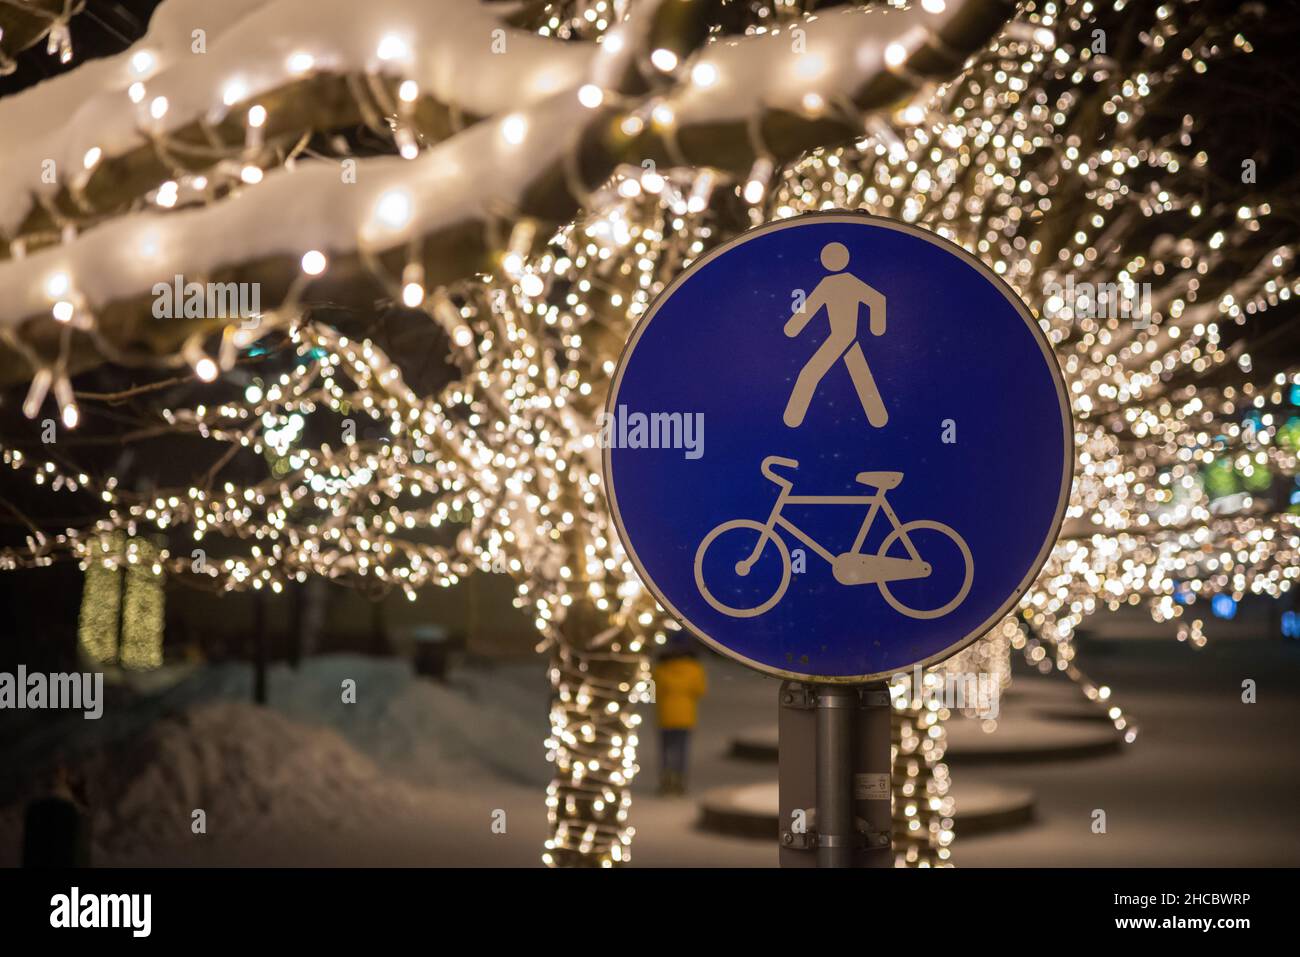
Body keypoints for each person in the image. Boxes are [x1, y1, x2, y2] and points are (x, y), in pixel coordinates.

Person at [782, 241, 889, 428]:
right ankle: (878, 418)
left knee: (809, 373)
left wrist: (877, 328)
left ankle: (792, 419)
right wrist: (793, 327)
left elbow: (878, 300)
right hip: (846, 337)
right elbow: (811, 307)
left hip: (842, 336)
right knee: (861, 375)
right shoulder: (833, 283)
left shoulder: (845, 282)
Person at [652, 643, 707, 795]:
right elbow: (700, 690)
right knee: (682, 750)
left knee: (665, 750)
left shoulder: (660, 669)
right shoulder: (695, 669)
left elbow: (651, 694)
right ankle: (680, 781)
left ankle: (666, 780)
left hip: (665, 717)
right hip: (686, 717)